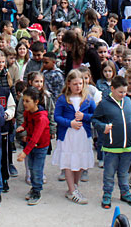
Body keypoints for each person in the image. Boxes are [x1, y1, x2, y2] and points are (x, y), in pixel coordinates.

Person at [92, 74, 131, 209]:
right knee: (109, 173)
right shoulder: (104, 104)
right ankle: (107, 194)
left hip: (128, 146)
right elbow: (94, 119)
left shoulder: (128, 101)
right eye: (120, 92)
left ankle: (125, 192)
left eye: (125, 92)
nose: (123, 94)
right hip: (111, 147)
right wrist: (103, 127)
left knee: (124, 173)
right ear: (112, 89)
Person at [52, 69, 96, 205]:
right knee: (69, 161)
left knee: (80, 160)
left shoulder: (88, 98)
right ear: (69, 84)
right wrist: (69, 123)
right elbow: (56, 116)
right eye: (75, 84)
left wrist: (85, 117)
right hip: (68, 135)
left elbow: (95, 115)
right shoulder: (63, 99)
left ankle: (75, 186)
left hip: (83, 134)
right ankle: (71, 190)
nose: (78, 87)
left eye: (80, 84)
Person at [16, 86, 50, 206]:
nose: (24, 103)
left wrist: (24, 152)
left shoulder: (41, 118)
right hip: (31, 144)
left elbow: (36, 137)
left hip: (40, 146)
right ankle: (34, 188)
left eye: (27, 101)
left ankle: (37, 190)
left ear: (36, 102)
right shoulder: (28, 112)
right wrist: (23, 126)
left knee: (37, 169)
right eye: (23, 100)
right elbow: (27, 121)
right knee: (31, 167)